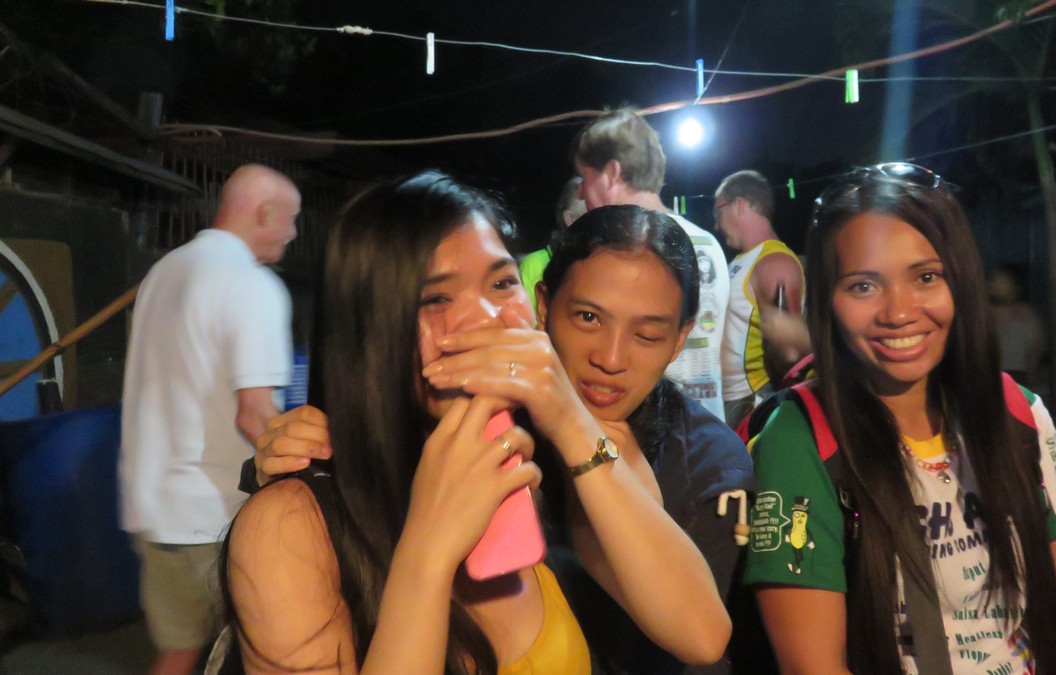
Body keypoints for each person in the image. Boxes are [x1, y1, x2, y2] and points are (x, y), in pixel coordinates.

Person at [221, 173, 730, 673]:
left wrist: (571, 422)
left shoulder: (557, 449)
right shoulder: (293, 527)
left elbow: (701, 634)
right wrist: (428, 553)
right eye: (435, 298)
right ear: (368, 333)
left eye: (502, 283)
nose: (488, 317)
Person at [742, 163, 1056, 674]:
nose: (899, 313)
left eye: (926, 277)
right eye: (863, 286)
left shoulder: (1019, 414)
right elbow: (814, 665)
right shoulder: (801, 438)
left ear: (961, 281)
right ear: (827, 300)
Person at [119, 164, 299, 675]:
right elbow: (255, 414)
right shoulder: (251, 284)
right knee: (267, 652)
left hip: (153, 502)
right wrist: (316, 475)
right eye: (290, 219)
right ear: (265, 213)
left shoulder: (165, 271)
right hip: (213, 511)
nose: (292, 233)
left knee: (179, 652)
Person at [573, 108, 730, 422]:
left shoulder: (622, 253)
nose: (580, 192)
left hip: (644, 434)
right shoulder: (708, 243)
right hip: (706, 428)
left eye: (585, 177)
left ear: (612, 173)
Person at [712, 170, 810, 427]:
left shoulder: (774, 262)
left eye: (717, 213)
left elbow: (791, 352)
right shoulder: (741, 260)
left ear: (738, 205)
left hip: (750, 401)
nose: (716, 226)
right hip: (727, 400)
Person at [520, 176, 587, 320]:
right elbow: (527, 322)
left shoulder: (606, 261)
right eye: (590, 213)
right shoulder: (535, 264)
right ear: (569, 218)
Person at [988, 265, 1045, 386]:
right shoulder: (987, 312)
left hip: (1016, 374)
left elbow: (1037, 346)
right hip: (993, 373)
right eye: (995, 281)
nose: (994, 285)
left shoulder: (1025, 314)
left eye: (1002, 280)